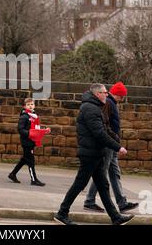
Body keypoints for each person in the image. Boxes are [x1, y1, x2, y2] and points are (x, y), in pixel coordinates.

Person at [54, 83, 135, 225]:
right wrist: (117, 147)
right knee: (79, 184)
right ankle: (62, 213)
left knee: (103, 186)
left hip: (96, 153)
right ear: (97, 94)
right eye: (105, 92)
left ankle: (115, 218)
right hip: (89, 154)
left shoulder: (95, 107)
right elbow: (99, 133)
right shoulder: (90, 109)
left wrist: (116, 140)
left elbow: (105, 128)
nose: (107, 94)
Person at [84, 82, 139, 213]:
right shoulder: (108, 104)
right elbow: (105, 125)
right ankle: (90, 200)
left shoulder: (111, 103)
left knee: (114, 173)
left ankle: (122, 203)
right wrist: (114, 142)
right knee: (102, 173)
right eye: (121, 96)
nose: (122, 98)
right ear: (118, 94)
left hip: (112, 144)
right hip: (109, 144)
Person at [8, 98, 50, 186]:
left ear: (34, 105)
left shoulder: (34, 116)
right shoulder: (24, 116)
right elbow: (20, 129)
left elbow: (36, 129)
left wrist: (44, 131)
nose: (30, 106)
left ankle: (13, 174)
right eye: (28, 104)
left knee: (25, 159)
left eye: (32, 104)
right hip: (26, 142)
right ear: (25, 106)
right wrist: (30, 133)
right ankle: (34, 180)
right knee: (31, 161)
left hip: (32, 141)